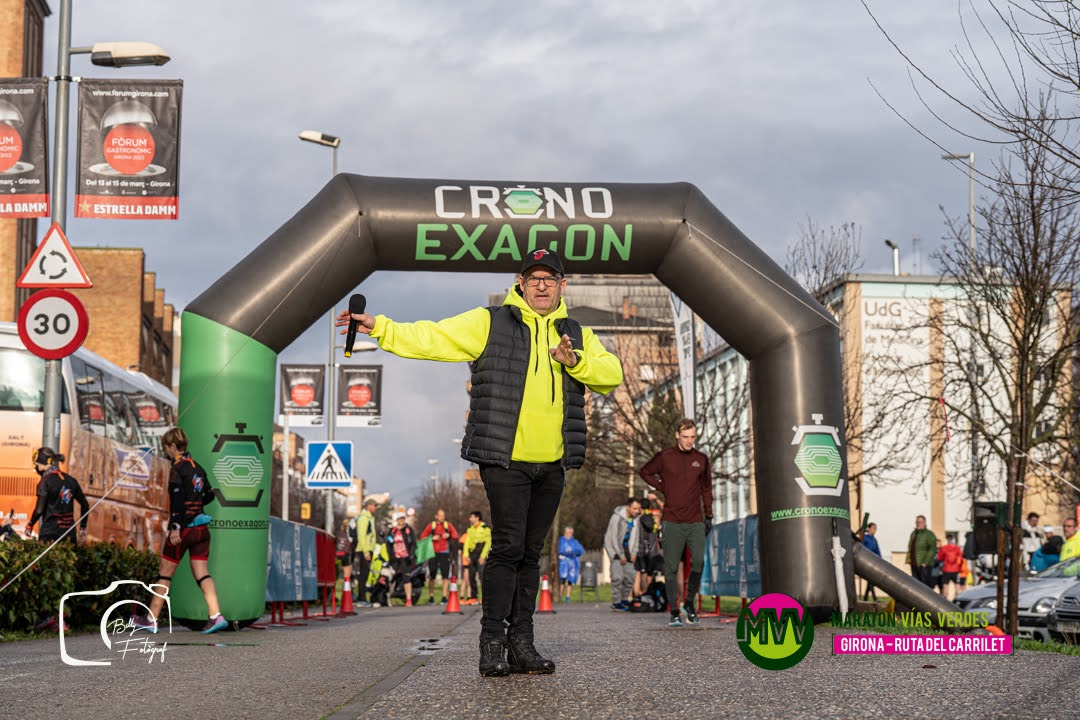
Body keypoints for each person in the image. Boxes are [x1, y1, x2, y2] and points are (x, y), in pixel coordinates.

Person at [337, 248, 623, 677]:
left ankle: (522, 643)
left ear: (562, 286)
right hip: (504, 458)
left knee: (531, 554)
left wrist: (576, 361)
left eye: (549, 279)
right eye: (534, 278)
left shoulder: (576, 334)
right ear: (520, 283)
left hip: (552, 463)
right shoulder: (491, 322)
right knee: (508, 548)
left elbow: (611, 374)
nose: (541, 286)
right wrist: (381, 327)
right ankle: (492, 642)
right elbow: (434, 336)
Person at [134, 428, 228, 634]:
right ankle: (216, 616)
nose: (166, 452)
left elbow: (176, 499)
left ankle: (151, 619)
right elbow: (210, 495)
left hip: (184, 529)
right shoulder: (198, 467)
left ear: (173, 446)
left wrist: (175, 526)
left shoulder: (177, 468)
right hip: (202, 529)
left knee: (165, 573)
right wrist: (195, 503)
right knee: (202, 574)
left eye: (166, 448)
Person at [639, 419, 714, 628]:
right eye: (686, 437)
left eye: (693, 437)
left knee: (698, 562)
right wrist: (662, 486)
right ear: (677, 435)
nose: (690, 441)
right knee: (671, 567)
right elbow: (644, 472)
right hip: (671, 521)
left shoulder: (701, 459)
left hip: (695, 520)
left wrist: (709, 515)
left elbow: (706, 488)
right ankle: (674, 610)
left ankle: (689, 603)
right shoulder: (665, 457)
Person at [25, 448, 89, 545]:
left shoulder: (45, 482)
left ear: (43, 462)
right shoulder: (71, 481)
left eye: (36, 464)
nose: (35, 467)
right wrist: (83, 528)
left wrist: (30, 525)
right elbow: (85, 505)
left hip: (49, 534)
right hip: (69, 534)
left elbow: (39, 510)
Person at [604, 497, 642, 611]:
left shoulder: (635, 520)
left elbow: (636, 538)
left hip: (628, 550)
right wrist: (620, 555)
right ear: (628, 507)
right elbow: (613, 537)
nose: (637, 511)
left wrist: (634, 552)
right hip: (616, 550)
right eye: (634, 508)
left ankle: (624, 599)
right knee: (617, 578)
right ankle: (616, 602)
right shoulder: (617, 517)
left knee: (630, 577)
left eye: (638, 509)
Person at [419, 509, 459, 604]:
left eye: (443, 516)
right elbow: (422, 537)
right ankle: (431, 596)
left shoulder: (447, 525)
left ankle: (444, 596)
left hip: (445, 552)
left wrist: (449, 535)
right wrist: (431, 538)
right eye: (440, 516)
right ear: (436, 516)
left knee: (445, 575)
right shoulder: (431, 526)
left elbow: (456, 535)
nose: (442, 517)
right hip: (433, 553)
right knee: (432, 575)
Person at [631, 496, 664, 598]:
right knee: (649, 575)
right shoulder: (653, 518)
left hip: (641, 551)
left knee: (642, 574)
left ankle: (641, 596)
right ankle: (646, 595)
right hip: (653, 551)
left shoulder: (639, 519)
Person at [385, 513, 417, 607]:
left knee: (406, 578)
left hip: (405, 558)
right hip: (395, 558)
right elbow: (388, 544)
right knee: (391, 578)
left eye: (403, 519)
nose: (401, 521)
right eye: (399, 519)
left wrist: (410, 556)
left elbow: (413, 543)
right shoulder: (392, 531)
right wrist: (391, 556)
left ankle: (408, 599)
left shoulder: (408, 530)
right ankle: (387, 599)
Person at [353, 498, 379, 607]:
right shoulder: (364, 518)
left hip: (368, 549)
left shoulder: (369, 518)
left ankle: (363, 598)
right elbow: (361, 536)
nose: (376, 508)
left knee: (365, 574)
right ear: (368, 506)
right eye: (374, 505)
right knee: (363, 576)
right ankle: (361, 599)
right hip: (365, 550)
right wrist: (366, 551)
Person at [461, 511, 491, 605]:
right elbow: (467, 542)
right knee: (471, 575)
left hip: (481, 552)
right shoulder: (470, 529)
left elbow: (488, 543)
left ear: (477, 518)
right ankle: (473, 597)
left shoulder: (485, 528)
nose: (470, 519)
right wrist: (466, 555)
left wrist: (483, 556)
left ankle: (485, 597)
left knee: (482, 576)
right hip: (472, 554)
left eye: (471, 517)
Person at [906, 515, 937, 588]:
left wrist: (925, 562)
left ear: (924, 523)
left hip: (924, 564)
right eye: (917, 522)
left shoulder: (929, 534)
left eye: (920, 522)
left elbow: (932, 549)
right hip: (914, 563)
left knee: (925, 584)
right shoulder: (913, 533)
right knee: (915, 584)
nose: (918, 524)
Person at [557, 526, 585, 603]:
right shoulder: (562, 540)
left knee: (570, 580)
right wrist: (568, 553)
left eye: (570, 533)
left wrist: (573, 553)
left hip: (572, 564)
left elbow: (580, 550)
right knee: (562, 580)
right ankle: (559, 596)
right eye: (567, 532)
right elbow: (561, 550)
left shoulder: (574, 542)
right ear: (564, 533)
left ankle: (568, 597)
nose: (568, 534)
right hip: (563, 563)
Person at [937, 533, 964, 600]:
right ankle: (959, 601)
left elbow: (940, 558)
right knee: (957, 586)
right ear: (953, 539)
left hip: (946, 570)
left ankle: (944, 601)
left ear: (947, 539)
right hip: (956, 570)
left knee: (945, 586)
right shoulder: (957, 548)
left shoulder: (944, 548)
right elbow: (961, 559)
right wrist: (959, 567)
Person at [860, 522, 882, 601]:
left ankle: (865, 598)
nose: (874, 530)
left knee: (870, 581)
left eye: (875, 529)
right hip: (867, 562)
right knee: (871, 580)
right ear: (869, 529)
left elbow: (877, 551)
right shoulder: (865, 538)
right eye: (873, 528)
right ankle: (874, 598)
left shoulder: (874, 540)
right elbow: (861, 547)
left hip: (873, 563)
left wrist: (881, 561)